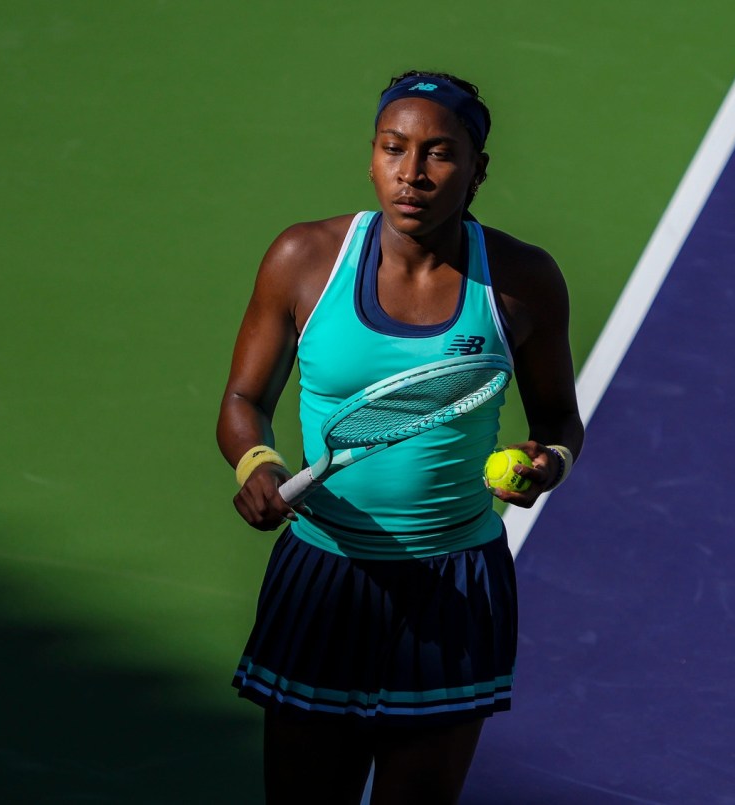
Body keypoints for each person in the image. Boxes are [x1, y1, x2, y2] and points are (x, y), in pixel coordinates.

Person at [216, 70, 584, 805]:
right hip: (324, 577)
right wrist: (255, 460)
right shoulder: (304, 260)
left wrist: (546, 466)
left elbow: (557, 421)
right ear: (372, 156)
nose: (411, 174)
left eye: (439, 153)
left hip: (454, 586)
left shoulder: (521, 281)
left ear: (477, 171)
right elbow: (242, 399)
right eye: (393, 148)